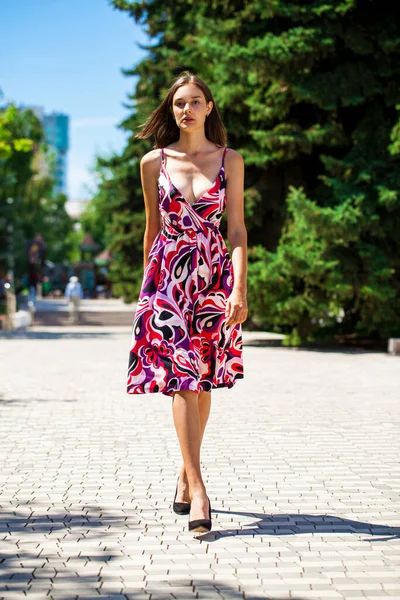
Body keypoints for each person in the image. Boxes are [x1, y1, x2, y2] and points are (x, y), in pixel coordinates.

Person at [127, 71, 248, 534]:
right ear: (172, 110)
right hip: (166, 282)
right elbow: (151, 229)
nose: (187, 109)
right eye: (180, 102)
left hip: (213, 278)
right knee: (180, 378)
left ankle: (183, 470)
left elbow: (235, 229)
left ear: (209, 107)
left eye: (196, 101)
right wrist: (145, 290)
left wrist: (239, 287)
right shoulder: (152, 163)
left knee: (202, 382)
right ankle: (199, 488)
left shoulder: (229, 160)